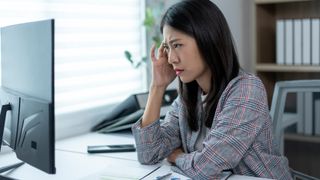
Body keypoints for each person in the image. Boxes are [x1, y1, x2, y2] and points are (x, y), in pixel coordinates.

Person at [131, 0, 292, 179]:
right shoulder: (187, 98)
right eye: (168, 48)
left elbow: (205, 168)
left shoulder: (247, 90)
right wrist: (157, 86)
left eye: (177, 45)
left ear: (207, 39)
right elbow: (149, 154)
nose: (171, 59)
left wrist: (177, 156)